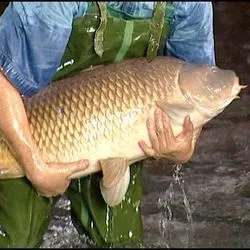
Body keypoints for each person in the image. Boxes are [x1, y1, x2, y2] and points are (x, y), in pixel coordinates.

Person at [0, 1, 215, 248]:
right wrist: (33, 163)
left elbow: (198, 87)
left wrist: (184, 146)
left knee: (121, 242)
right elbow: (2, 78)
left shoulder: (191, 5)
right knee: (15, 238)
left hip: (115, 132)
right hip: (24, 123)